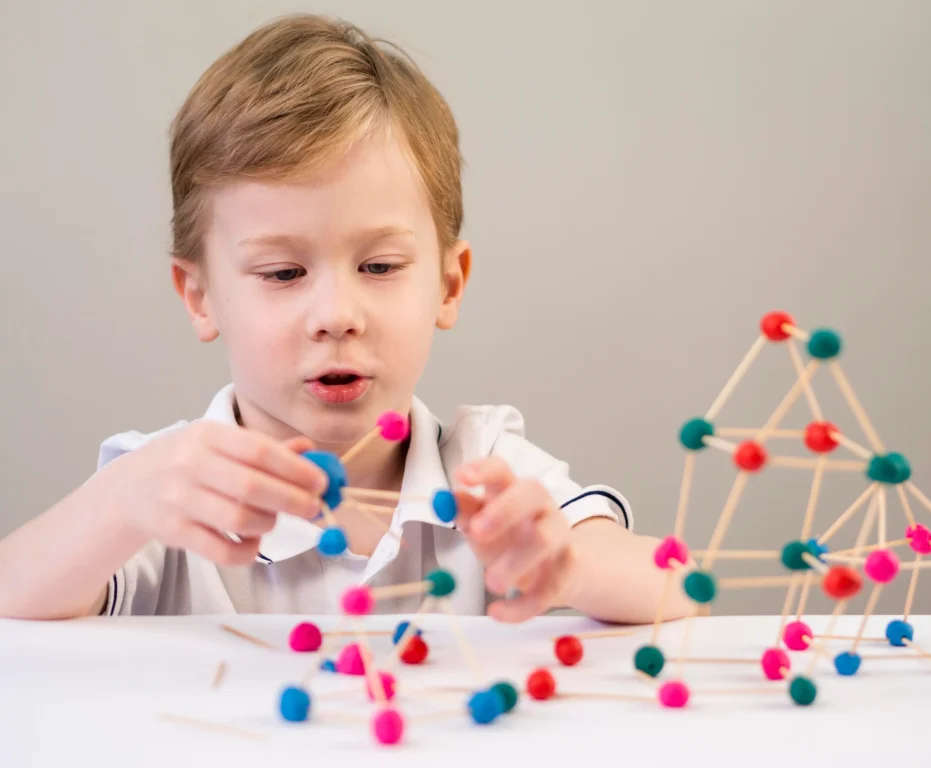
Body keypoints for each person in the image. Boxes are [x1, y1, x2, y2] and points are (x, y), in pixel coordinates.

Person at [0, 14, 691, 626]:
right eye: (283, 274)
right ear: (200, 295)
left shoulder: (481, 470)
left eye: (381, 267)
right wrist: (119, 503)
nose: (336, 316)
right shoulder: (172, 489)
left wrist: (567, 562)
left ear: (449, 284)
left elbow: (679, 588)